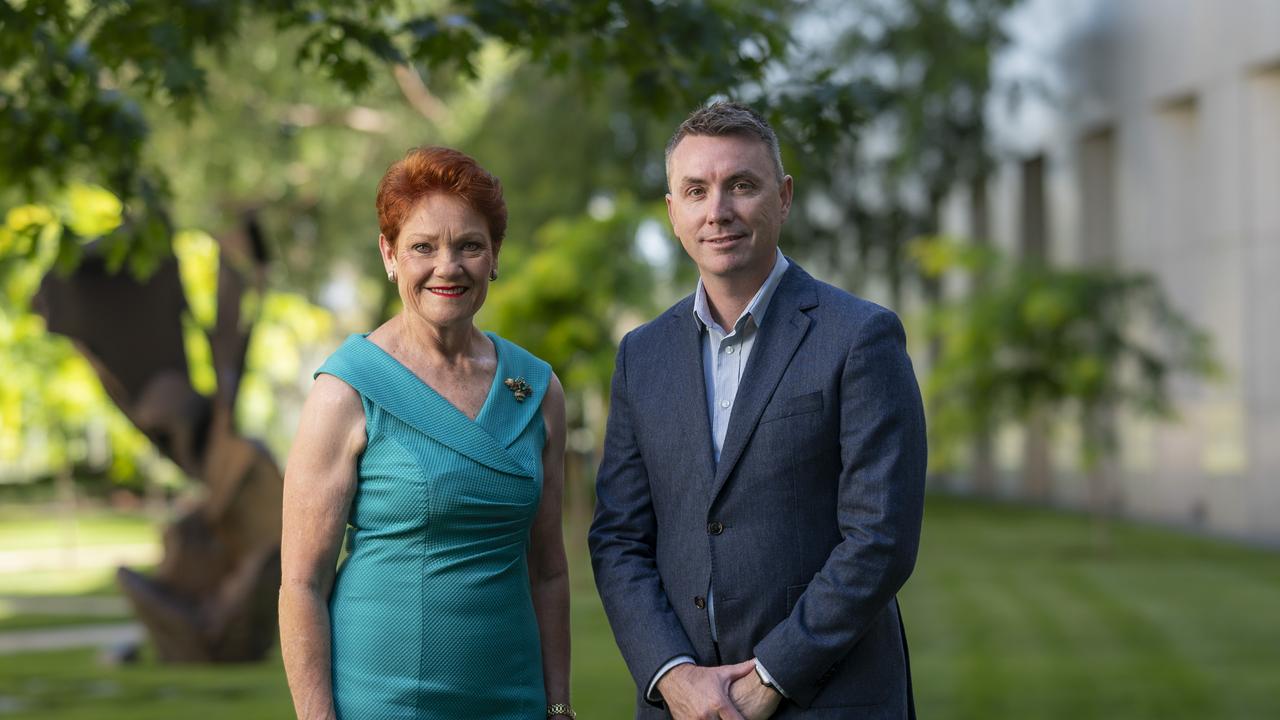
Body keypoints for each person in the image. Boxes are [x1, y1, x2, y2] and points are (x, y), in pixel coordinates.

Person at [588, 102, 927, 719]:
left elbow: (881, 538)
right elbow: (618, 539)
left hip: (830, 699)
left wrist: (770, 679)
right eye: (696, 190)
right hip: (682, 707)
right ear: (673, 212)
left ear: (784, 197)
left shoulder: (860, 337)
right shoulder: (642, 355)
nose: (717, 211)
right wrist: (673, 676)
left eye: (741, 185)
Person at [280, 146, 574, 720]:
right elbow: (300, 585)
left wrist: (558, 707)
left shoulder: (538, 389)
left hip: (516, 700)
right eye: (423, 247)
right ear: (389, 255)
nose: (448, 266)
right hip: (383, 700)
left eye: (470, 245)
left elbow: (550, 571)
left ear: (494, 258)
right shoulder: (346, 389)